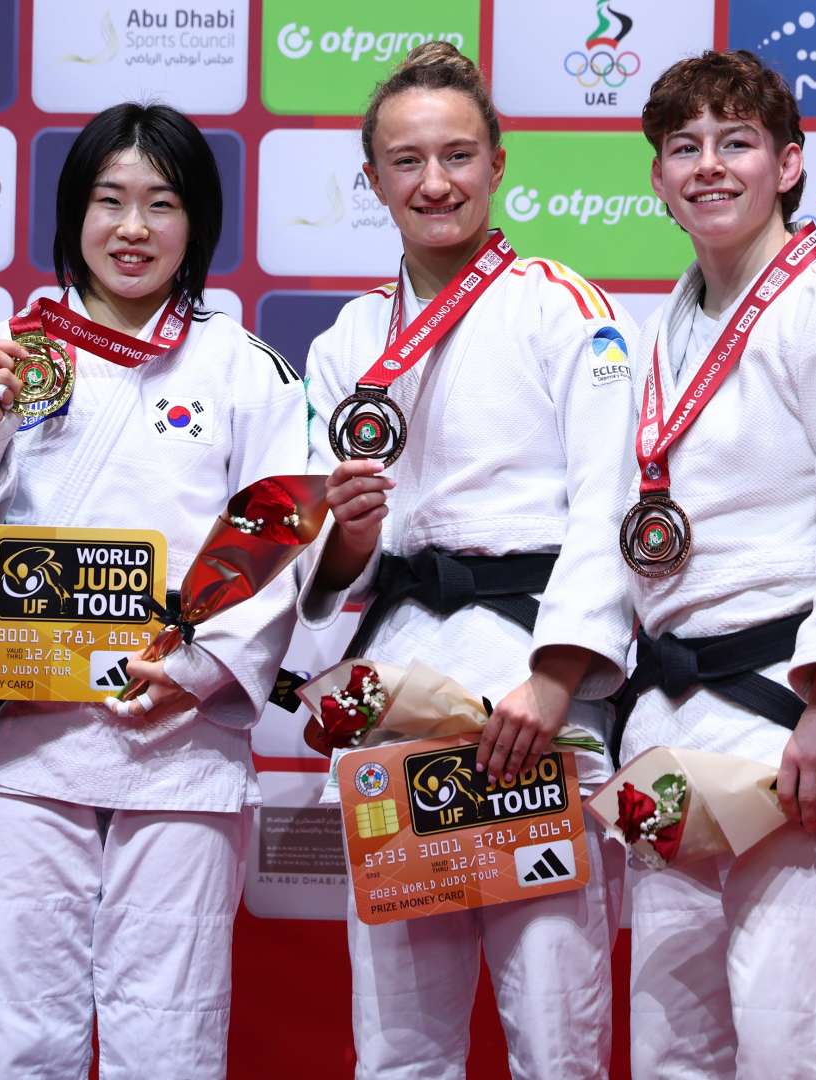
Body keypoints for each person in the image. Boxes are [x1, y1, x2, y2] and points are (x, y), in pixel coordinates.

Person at [0, 102, 307, 1079]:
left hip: (177, 743)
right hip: (30, 738)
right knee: (23, 1024)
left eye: (161, 203)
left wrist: (195, 668)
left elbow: (275, 536)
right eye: (109, 201)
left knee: (169, 1025)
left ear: (198, 224)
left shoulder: (244, 369)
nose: (133, 228)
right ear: (73, 213)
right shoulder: (3, 355)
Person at [299, 42, 636, 1079]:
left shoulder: (561, 306)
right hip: (402, 685)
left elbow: (611, 502)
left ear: (498, 163)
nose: (433, 182)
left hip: (531, 692)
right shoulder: (350, 337)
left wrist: (557, 674)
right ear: (372, 182)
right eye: (405, 162)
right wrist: (347, 532)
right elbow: (336, 562)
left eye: (456, 155)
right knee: (400, 1038)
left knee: (554, 1028)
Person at [615, 51, 816, 1079]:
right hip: (672, 727)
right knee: (674, 1043)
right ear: (659, 180)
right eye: (685, 148)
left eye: (738, 143)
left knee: (797, 1040)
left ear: (790, 165)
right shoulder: (654, 331)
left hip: (798, 724)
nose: (710, 166)